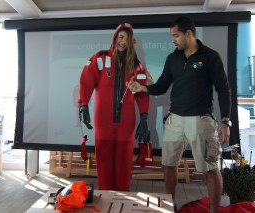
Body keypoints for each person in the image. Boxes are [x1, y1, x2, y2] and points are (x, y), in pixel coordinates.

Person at [127, 16, 231, 212]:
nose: (173, 40)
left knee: (210, 169)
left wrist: (225, 121)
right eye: (171, 36)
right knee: (168, 164)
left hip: (201, 120)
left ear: (189, 34)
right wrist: (142, 87)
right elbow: (161, 86)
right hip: (175, 120)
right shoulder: (172, 58)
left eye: (176, 36)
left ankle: (215, 211)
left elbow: (223, 89)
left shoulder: (210, 57)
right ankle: (170, 206)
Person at [78, 23, 150, 191]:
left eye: (126, 38)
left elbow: (142, 93)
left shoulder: (137, 66)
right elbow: (86, 81)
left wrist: (144, 117)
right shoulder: (101, 58)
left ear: (131, 41)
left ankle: (122, 198)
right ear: (115, 37)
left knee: (124, 161)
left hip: (126, 120)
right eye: (120, 37)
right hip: (103, 120)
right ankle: (105, 195)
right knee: (103, 158)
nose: (122, 41)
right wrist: (83, 106)